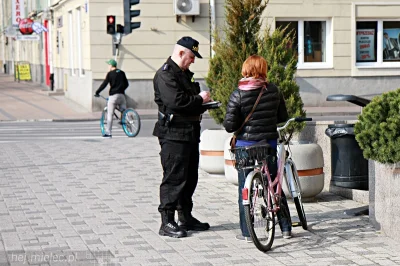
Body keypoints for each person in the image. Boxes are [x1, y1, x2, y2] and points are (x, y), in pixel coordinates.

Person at [223, 55, 292, 241]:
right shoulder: (273, 91)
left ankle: (247, 233)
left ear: (245, 70)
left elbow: (229, 126)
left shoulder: (238, 93)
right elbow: (282, 117)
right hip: (267, 145)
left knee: (244, 189)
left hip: (245, 147)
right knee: (274, 184)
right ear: (263, 69)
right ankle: (286, 228)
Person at [153, 36, 211, 238]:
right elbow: (177, 102)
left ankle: (185, 217)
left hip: (189, 132)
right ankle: (166, 222)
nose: (193, 60)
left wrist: (202, 101)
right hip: (174, 135)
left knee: (190, 177)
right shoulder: (165, 75)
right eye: (192, 56)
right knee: (174, 178)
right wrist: (199, 99)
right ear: (180, 53)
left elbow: (190, 100)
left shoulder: (184, 74)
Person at [94, 59, 129, 138]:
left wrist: (97, 92)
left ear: (110, 65)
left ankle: (108, 132)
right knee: (123, 111)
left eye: (108, 65)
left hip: (113, 96)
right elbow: (126, 83)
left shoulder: (110, 74)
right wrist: (122, 89)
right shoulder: (122, 72)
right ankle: (126, 123)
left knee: (110, 113)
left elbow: (104, 84)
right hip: (122, 95)